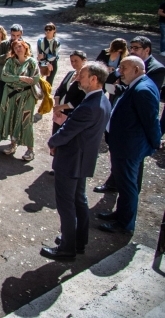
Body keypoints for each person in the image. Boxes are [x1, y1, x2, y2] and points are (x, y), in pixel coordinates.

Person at [43, 62, 111, 259]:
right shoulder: (102, 100)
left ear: (94, 79)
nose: (78, 78)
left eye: (82, 75)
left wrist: (53, 141)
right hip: (83, 160)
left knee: (66, 205)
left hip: (71, 161)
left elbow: (68, 131)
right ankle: (77, 240)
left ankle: (66, 248)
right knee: (79, 200)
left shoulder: (89, 106)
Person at [97, 57, 160, 235]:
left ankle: (124, 224)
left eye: (124, 68)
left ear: (137, 69)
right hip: (123, 145)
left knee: (127, 186)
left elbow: (151, 121)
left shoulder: (143, 90)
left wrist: (155, 143)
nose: (120, 71)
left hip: (129, 148)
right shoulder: (137, 84)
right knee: (124, 185)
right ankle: (120, 214)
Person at [0, 38, 40, 161]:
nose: (18, 49)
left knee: (26, 120)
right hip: (10, 95)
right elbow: (4, 76)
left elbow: (34, 79)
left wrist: (15, 79)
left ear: (25, 47)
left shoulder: (32, 62)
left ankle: (30, 150)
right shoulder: (10, 61)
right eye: (15, 47)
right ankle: (13, 144)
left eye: (20, 46)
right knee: (11, 117)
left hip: (26, 96)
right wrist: (20, 78)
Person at [52, 51, 88, 136]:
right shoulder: (70, 73)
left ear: (84, 60)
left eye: (76, 61)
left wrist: (61, 107)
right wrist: (57, 106)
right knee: (55, 135)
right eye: (71, 61)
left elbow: (80, 100)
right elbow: (59, 90)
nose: (73, 63)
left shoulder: (86, 78)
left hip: (71, 114)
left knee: (65, 137)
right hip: (59, 112)